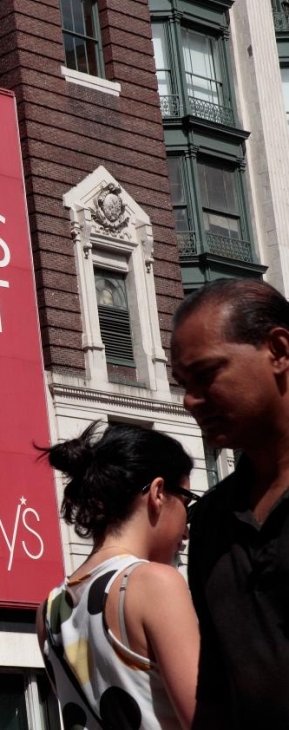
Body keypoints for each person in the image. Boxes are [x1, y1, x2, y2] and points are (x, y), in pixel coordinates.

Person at [171, 278, 289, 729]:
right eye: (183, 383)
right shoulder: (210, 521)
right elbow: (216, 689)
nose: (189, 401)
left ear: (278, 350)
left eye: (206, 375)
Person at [36, 422, 199, 730]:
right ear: (158, 493)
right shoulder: (154, 583)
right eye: (187, 504)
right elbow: (205, 717)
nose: (186, 530)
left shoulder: (49, 611)